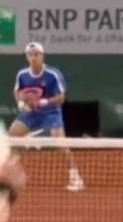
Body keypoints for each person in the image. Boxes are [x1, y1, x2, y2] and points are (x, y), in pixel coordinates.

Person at [10, 42, 85, 192]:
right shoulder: (22, 74)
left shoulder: (53, 74)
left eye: (36, 55)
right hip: (31, 112)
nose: (33, 58)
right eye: (30, 55)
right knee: (12, 135)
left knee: (60, 143)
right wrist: (20, 102)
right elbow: (17, 91)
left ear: (42, 56)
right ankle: (12, 172)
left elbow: (61, 98)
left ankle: (75, 177)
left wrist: (43, 102)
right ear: (27, 57)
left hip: (50, 112)